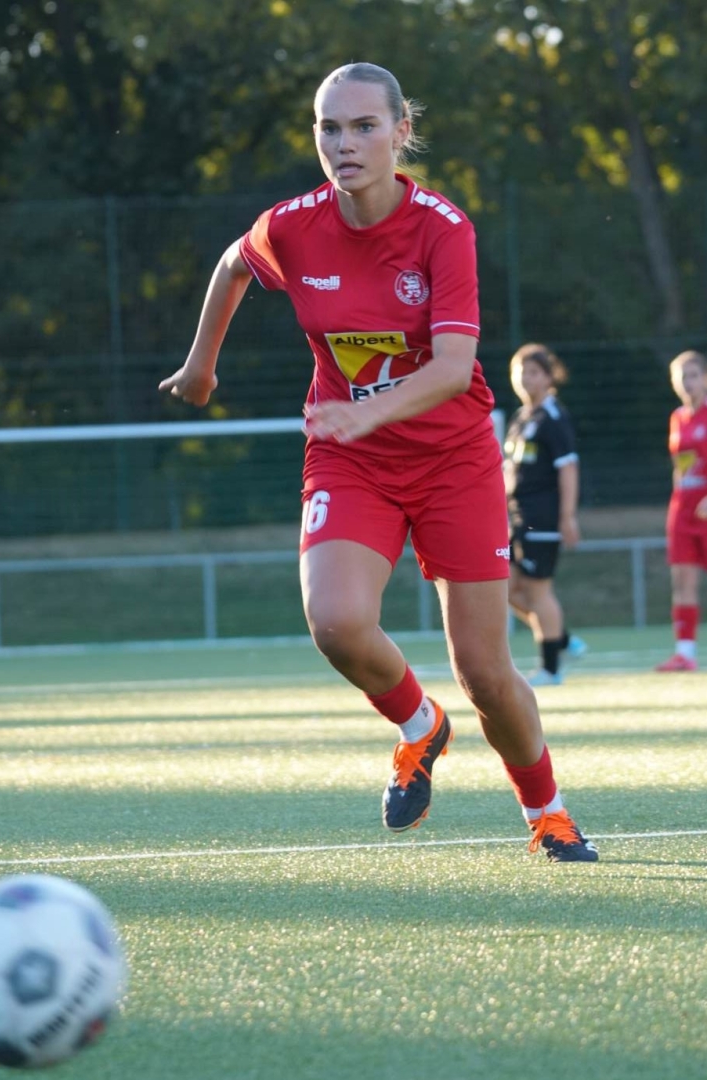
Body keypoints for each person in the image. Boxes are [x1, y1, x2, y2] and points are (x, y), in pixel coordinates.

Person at [159, 62, 597, 862]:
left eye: (364, 126)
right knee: (335, 623)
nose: (345, 143)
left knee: (486, 674)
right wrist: (200, 366)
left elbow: (451, 368)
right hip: (350, 460)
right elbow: (232, 266)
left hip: (454, 461)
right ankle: (419, 725)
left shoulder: (442, 228)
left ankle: (548, 813)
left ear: (401, 132)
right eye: (330, 127)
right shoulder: (293, 226)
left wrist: (365, 409)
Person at [504, 343, 588, 686]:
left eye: (533, 372)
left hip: (542, 516)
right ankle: (562, 639)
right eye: (520, 372)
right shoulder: (521, 418)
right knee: (504, 588)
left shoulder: (553, 418)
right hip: (517, 517)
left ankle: (551, 669)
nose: (525, 378)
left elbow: (568, 468)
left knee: (538, 592)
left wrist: (567, 517)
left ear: (549, 377)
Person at [655, 349, 707, 672]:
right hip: (683, 508)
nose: (687, 382)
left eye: (693, 375)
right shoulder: (677, 417)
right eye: (681, 377)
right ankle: (685, 654)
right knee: (682, 580)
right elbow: (682, 465)